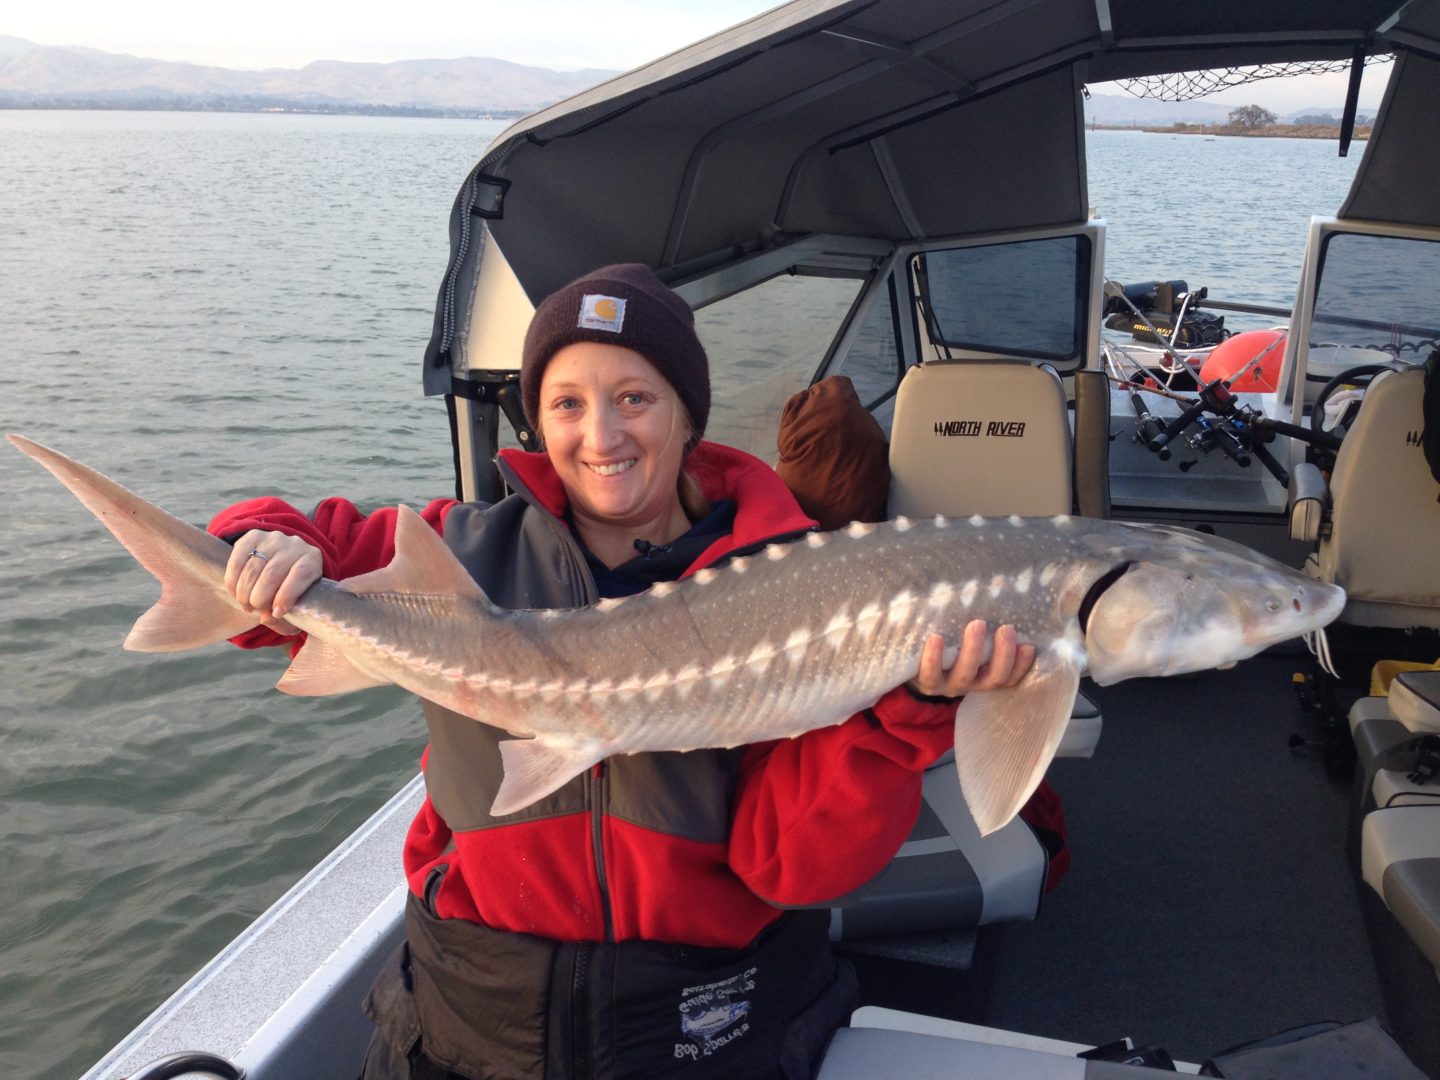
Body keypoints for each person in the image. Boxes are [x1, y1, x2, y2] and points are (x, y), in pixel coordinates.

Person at [213, 264, 1035, 1080]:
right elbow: (278, 570)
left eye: (635, 398)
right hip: (467, 1018)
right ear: (537, 421)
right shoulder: (462, 549)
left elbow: (792, 867)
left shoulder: (796, 590)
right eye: (568, 403)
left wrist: (913, 710)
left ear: (687, 417)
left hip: (699, 1027)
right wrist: (266, 546)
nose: (601, 436)